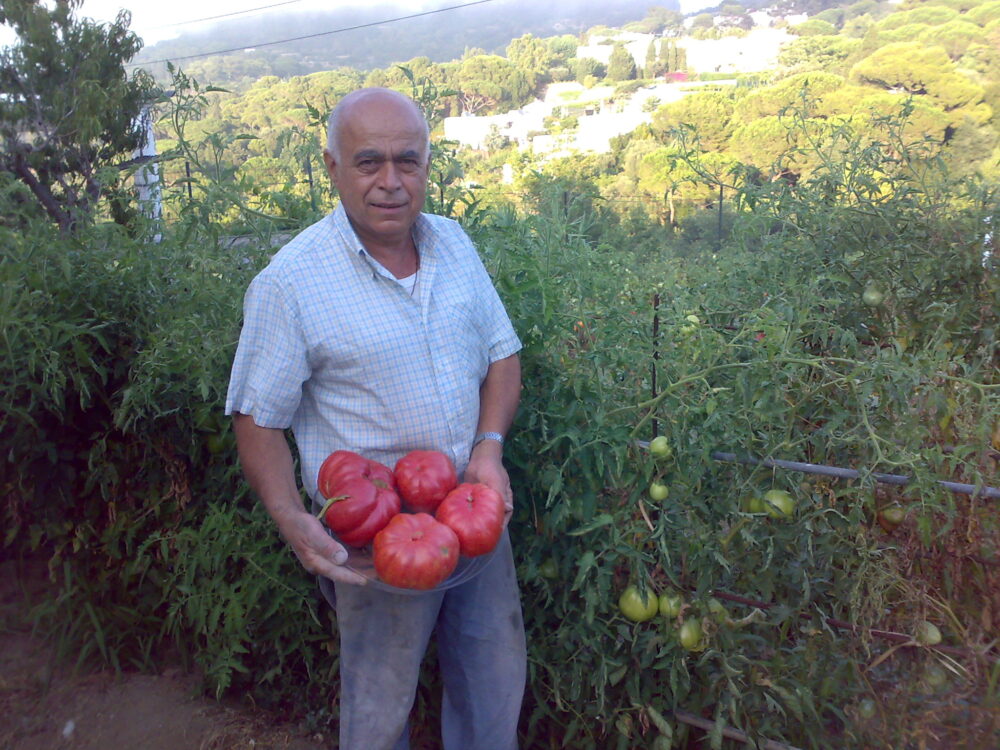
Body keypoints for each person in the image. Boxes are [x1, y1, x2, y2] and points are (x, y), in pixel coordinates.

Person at [225, 87, 526, 750]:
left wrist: (489, 449)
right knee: (379, 711)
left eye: (407, 160)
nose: (391, 181)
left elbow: (502, 356)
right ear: (332, 167)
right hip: (374, 542)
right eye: (369, 162)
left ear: (427, 165)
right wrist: (289, 516)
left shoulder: (454, 243)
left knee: (494, 686)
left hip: (474, 516)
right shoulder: (290, 283)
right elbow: (256, 417)